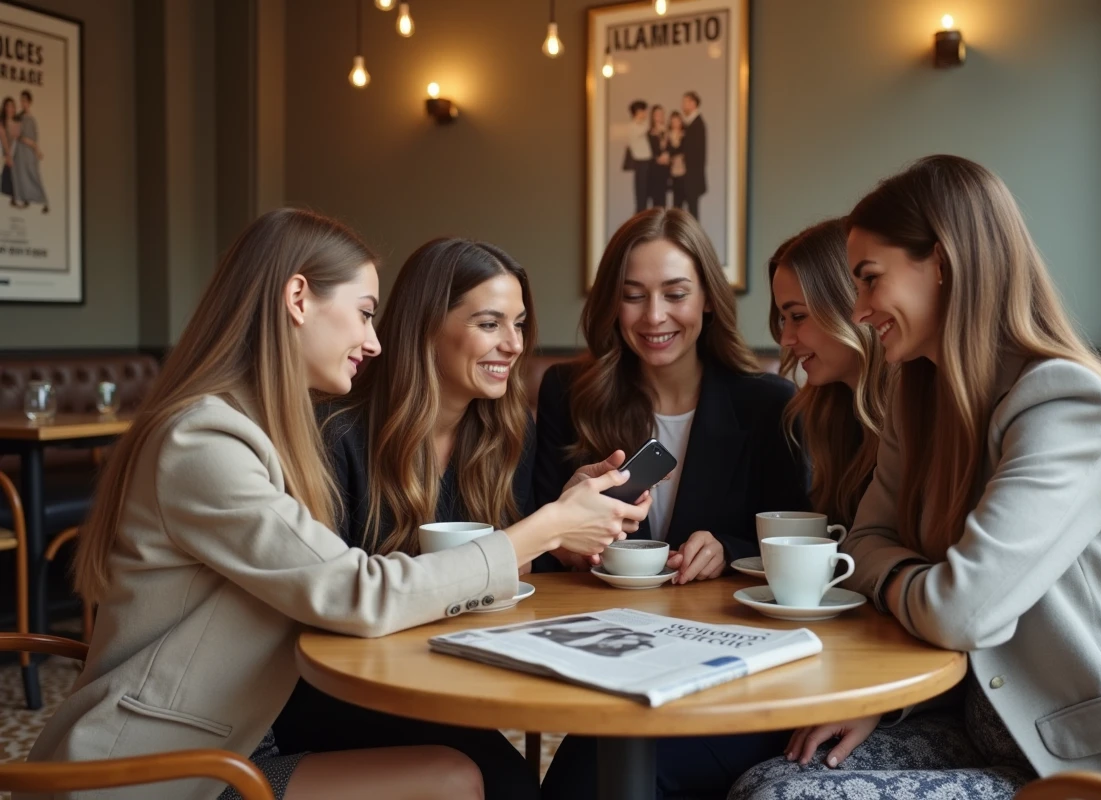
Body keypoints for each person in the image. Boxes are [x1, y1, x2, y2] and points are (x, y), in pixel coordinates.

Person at [22, 209, 646, 800]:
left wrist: (551, 528)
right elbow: (359, 592)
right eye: (365, 313)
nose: (375, 342)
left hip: (236, 742)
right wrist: (544, 528)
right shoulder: (203, 443)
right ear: (298, 300)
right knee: (463, 780)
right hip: (168, 773)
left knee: (483, 777)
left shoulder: (255, 431)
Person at [731, 155, 1101, 800]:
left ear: (944, 263)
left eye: (869, 280)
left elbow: (959, 611)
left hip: (1085, 765)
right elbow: (865, 539)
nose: (860, 309)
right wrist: (894, 671)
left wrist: (900, 575)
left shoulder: (1067, 404)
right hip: (978, 721)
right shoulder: (917, 397)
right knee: (765, 776)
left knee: (780, 796)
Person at [272, 237, 650, 800]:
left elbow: (497, 566)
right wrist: (545, 526)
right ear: (426, 326)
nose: (514, 344)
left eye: (519, 325)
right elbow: (330, 602)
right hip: (341, 691)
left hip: (446, 673)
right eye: (490, 323)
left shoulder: (504, 437)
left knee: (522, 782)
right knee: (507, 785)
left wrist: (560, 540)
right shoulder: (336, 434)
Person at [538, 207, 810, 800]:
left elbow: (803, 540)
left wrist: (730, 548)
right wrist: (564, 529)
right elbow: (539, 549)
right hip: (613, 667)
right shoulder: (569, 393)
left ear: (708, 299)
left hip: (730, 679)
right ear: (612, 303)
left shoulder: (768, 404)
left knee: (596, 781)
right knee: (581, 778)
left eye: (675, 294)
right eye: (633, 296)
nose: (655, 316)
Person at [768, 219, 890, 528]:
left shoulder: (913, 408)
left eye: (798, 316)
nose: (785, 339)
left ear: (848, 304)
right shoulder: (827, 412)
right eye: (784, 320)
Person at [12, 90, 48, 213]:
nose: (23, 103)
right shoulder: (19, 117)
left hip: (29, 153)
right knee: (20, 175)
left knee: (33, 175)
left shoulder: (32, 120)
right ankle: (25, 199)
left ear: (30, 102)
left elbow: (34, 139)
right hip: (20, 152)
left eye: (25, 101)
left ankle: (44, 202)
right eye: (21, 100)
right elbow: (15, 134)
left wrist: (36, 149)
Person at [678, 91, 706, 221]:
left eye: (686, 102)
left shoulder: (697, 124)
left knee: (693, 214)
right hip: (688, 177)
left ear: (693, 103)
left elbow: (697, 154)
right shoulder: (689, 123)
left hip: (692, 177)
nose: (683, 105)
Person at [626, 100, 653, 212]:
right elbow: (647, 128)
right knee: (641, 195)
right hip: (641, 163)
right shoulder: (633, 126)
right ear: (638, 112)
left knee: (646, 194)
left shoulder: (641, 125)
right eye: (644, 111)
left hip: (647, 163)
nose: (646, 114)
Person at [647, 105, 671, 208]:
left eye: (661, 114)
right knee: (655, 199)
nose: (659, 116)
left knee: (663, 198)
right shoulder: (649, 133)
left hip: (665, 170)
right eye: (657, 114)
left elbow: (671, 148)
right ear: (652, 116)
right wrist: (657, 158)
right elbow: (649, 151)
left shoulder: (668, 132)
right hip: (654, 170)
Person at [667, 111, 687, 210]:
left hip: (684, 169)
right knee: (676, 200)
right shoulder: (667, 136)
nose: (675, 123)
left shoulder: (685, 135)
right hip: (673, 170)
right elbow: (670, 151)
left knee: (683, 197)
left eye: (677, 121)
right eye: (673, 121)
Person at [0, 97, 18, 203]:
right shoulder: (1, 124)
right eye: (7, 106)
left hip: (14, 154)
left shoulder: (17, 124)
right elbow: (4, 140)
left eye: (12, 106)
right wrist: (8, 155)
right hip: (5, 153)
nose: (9, 108)